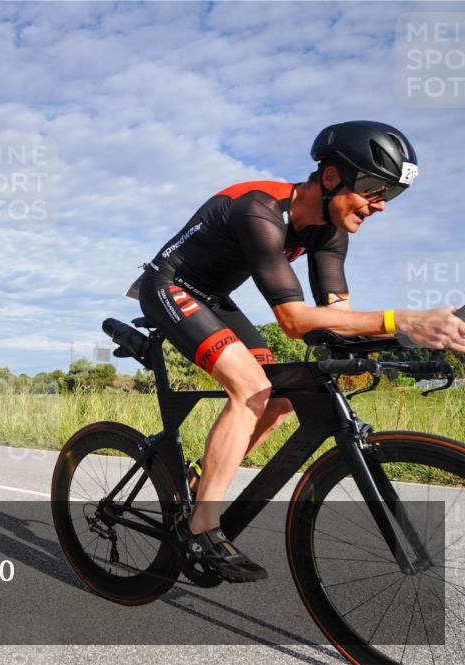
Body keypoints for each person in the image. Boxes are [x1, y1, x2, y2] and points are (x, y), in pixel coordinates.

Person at [132, 120, 465, 582]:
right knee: (251, 387)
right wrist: (403, 319)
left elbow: (335, 321)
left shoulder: (330, 232)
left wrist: (418, 337)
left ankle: (198, 484)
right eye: (374, 189)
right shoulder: (260, 209)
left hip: (214, 299)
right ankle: (201, 525)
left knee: (280, 399)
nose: (381, 205)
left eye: (391, 194)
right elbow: (293, 320)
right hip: (169, 287)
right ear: (330, 177)